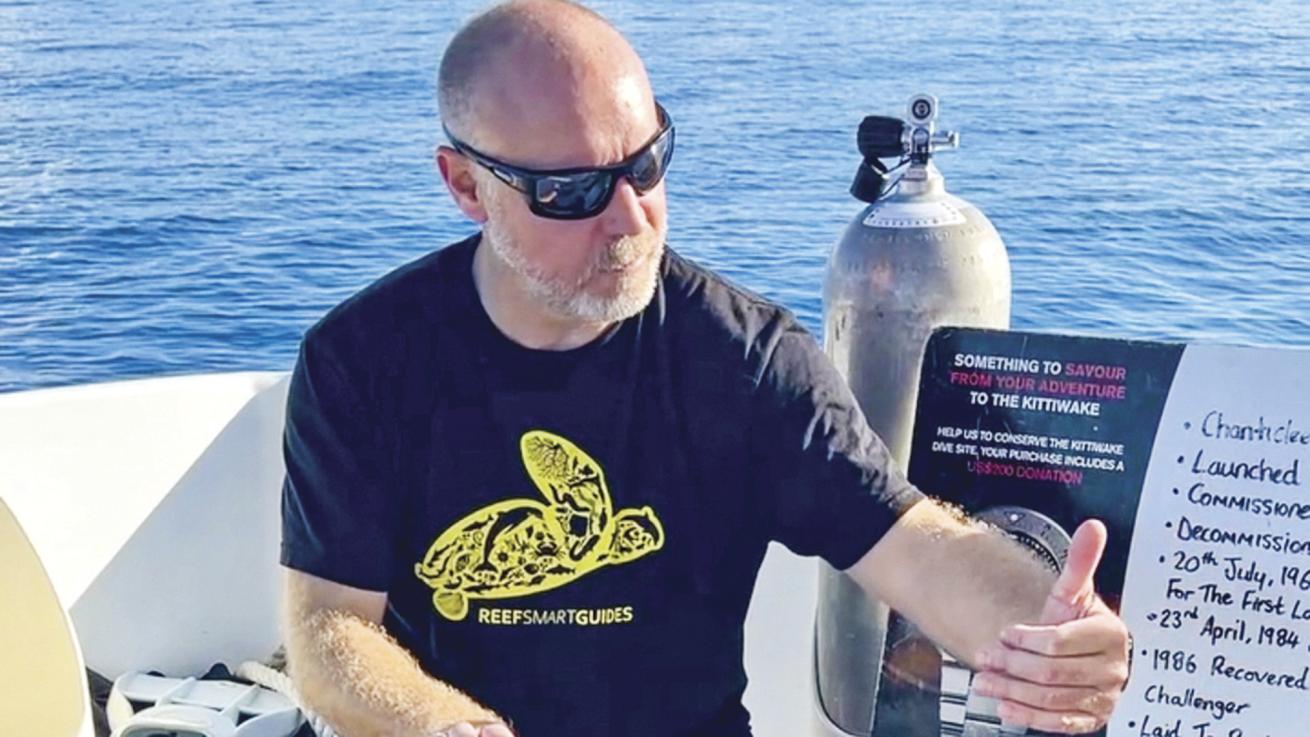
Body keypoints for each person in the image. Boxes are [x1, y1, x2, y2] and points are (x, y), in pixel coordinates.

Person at [278, 2, 1131, 736]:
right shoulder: (363, 361)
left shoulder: (742, 358)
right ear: (465, 185)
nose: (628, 219)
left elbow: (915, 543)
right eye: (571, 192)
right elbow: (328, 628)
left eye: (645, 164)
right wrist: (437, 723)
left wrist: (1041, 628)